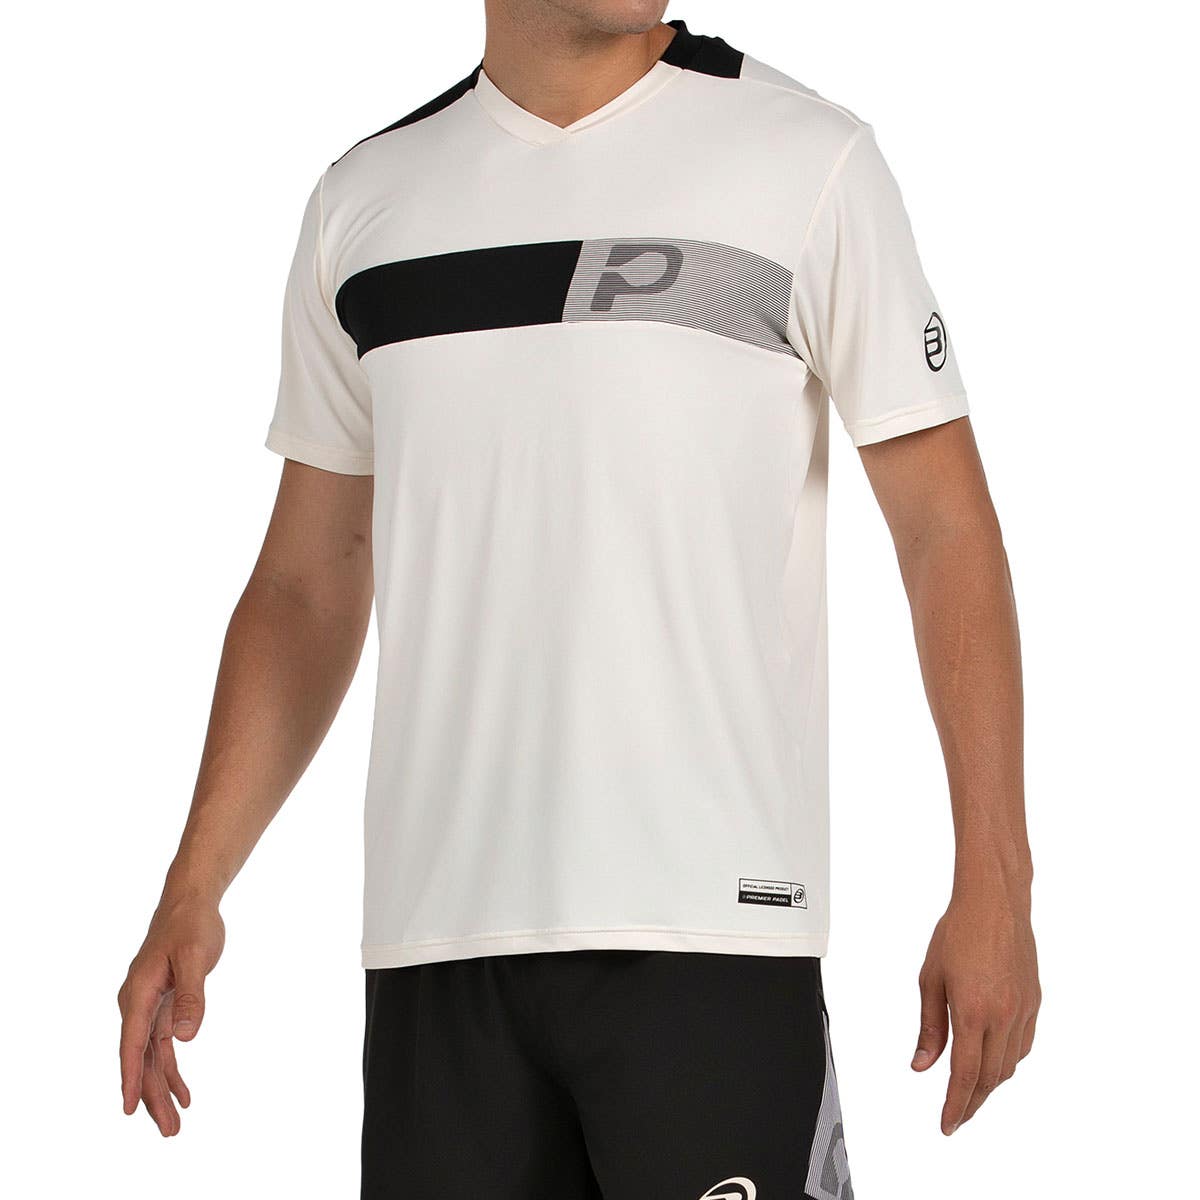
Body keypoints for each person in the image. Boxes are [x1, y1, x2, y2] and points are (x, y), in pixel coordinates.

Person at [118, 4, 1040, 1195]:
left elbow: (943, 528)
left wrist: (997, 879)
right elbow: (305, 586)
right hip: (439, 958)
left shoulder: (807, 160)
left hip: (711, 937)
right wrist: (194, 883)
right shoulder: (366, 203)